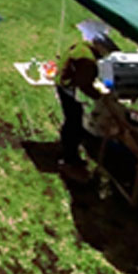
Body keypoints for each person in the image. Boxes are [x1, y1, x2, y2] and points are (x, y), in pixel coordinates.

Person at [56, 39, 102, 179]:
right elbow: (83, 84)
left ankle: (68, 151)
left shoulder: (81, 47)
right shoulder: (87, 60)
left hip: (64, 83)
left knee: (72, 120)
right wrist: (100, 96)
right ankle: (70, 158)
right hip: (69, 87)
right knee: (74, 122)